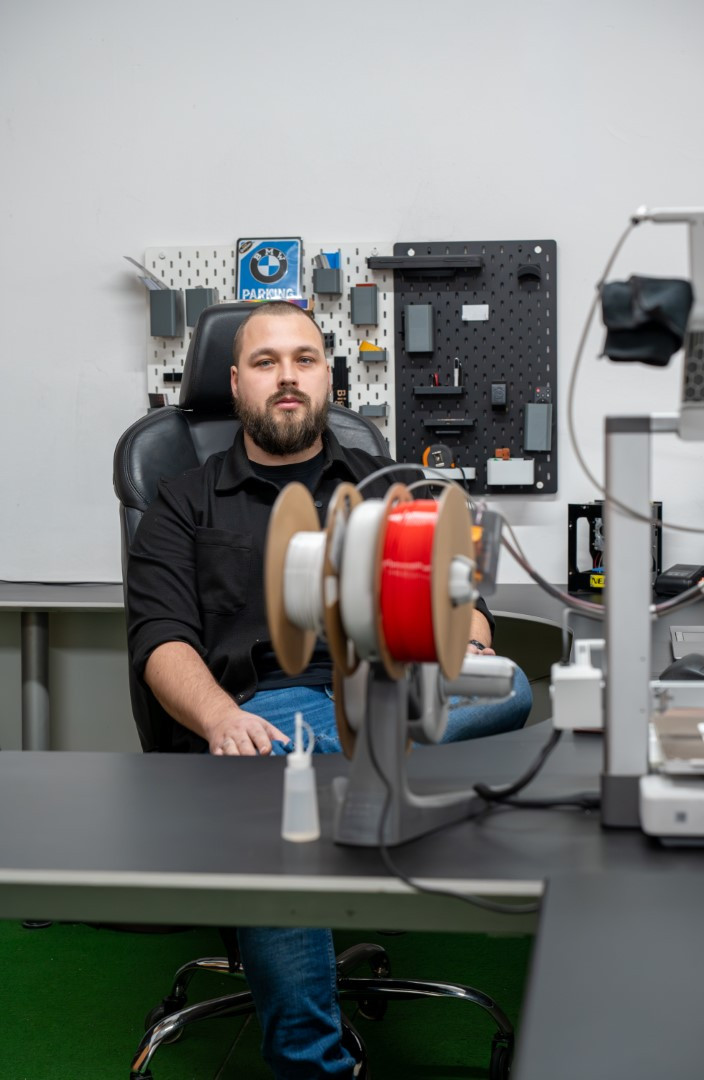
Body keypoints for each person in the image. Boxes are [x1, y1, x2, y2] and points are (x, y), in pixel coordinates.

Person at [126, 300, 532, 1078]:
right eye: (266, 362)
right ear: (235, 382)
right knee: (281, 777)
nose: (287, 377)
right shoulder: (182, 501)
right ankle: (315, 1065)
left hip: (390, 689)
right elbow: (160, 641)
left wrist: (468, 646)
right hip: (262, 712)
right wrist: (219, 717)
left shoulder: (390, 487)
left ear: (328, 378)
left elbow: (464, 601)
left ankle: (343, 754)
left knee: (508, 685)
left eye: (304, 360)